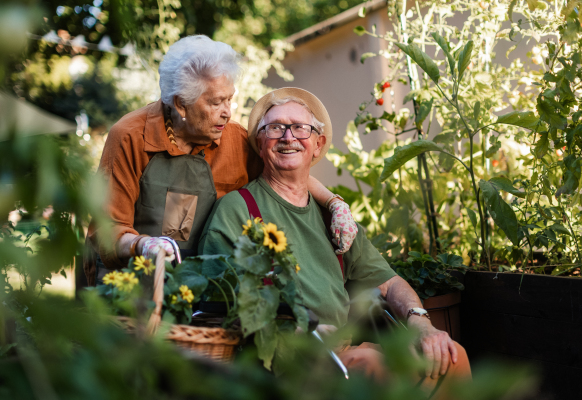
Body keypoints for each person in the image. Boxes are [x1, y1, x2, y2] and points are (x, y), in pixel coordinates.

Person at [198, 87, 471, 392]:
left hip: (342, 352)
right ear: (260, 144)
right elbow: (216, 300)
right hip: (286, 366)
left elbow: (389, 282)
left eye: (300, 128)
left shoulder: (333, 218)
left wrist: (421, 322)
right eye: (275, 128)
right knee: (373, 367)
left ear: (318, 145)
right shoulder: (237, 209)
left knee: (452, 356)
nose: (288, 137)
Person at [83, 36, 357, 286]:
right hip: (128, 283)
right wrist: (144, 246)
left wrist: (333, 203)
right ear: (180, 105)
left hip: (205, 285)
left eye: (230, 100)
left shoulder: (235, 140)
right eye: (216, 103)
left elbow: (285, 175)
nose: (228, 113)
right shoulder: (131, 137)